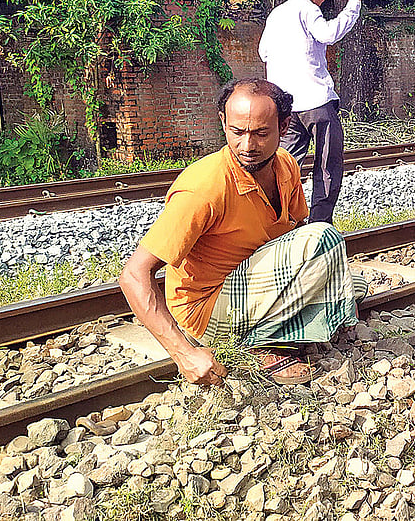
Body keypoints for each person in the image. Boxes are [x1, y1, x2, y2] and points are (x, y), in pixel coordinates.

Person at [118, 79, 368, 386]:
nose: (247, 146)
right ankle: (266, 346)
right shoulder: (205, 187)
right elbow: (133, 274)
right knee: (325, 240)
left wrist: (325, 277)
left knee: (352, 283)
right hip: (206, 308)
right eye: (237, 132)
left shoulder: (286, 165)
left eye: (261, 133)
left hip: (250, 282)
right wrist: (184, 355)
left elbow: (295, 230)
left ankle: (283, 326)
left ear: (285, 125)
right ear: (223, 122)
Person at [259, 0, 363, 224]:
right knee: (327, 165)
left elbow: (263, 53)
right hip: (316, 102)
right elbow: (329, 33)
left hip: (285, 104)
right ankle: (319, 224)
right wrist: (353, 5)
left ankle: (281, 220)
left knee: (284, 165)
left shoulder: (276, 15)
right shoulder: (308, 9)